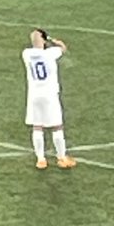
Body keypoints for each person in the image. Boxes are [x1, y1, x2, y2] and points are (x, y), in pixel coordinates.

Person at [21, 28, 76, 170]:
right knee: (57, 126)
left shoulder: (26, 54)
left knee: (37, 126)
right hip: (49, 94)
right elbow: (63, 48)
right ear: (44, 40)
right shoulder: (51, 53)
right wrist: (55, 41)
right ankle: (62, 157)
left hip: (34, 95)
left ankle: (40, 159)